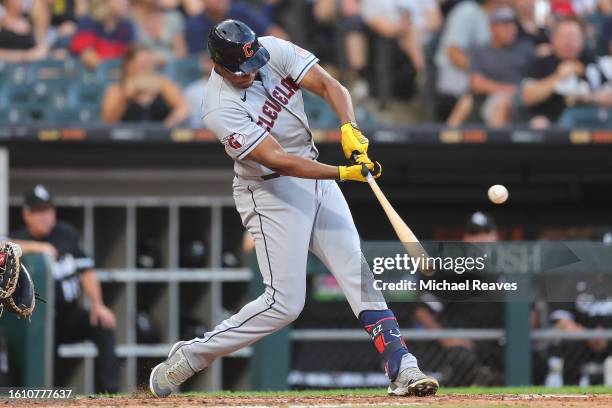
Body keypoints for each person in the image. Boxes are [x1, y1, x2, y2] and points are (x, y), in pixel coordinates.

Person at [149, 19, 438, 398]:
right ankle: (192, 355)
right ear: (218, 64)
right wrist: (342, 172)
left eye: (254, 64)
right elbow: (278, 161)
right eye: (241, 70)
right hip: (271, 193)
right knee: (284, 305)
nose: (251, 75)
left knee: (357, 271)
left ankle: (402, 366)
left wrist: (349, 126)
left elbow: (330, 85)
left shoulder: (274, 49)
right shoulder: (218, 106)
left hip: (313, 172)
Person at [10, 185, 119, 393]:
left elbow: (86, 271)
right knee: (39, 355)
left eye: (48, 210)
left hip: (66, 316)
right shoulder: (19, 237)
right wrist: (38, 248)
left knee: (103, 325)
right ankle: (37, 396)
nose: (45, 217)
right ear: (27, 214)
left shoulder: (66, 234)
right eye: (39, 211)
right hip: (36, 321)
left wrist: (98, 304)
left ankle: (109, 393)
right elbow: (3, 245)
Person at [413, 211, 503, 386]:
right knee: (462, 359)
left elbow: (529, 311)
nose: (481, 239)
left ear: (496, 236)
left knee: (534, 361)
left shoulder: (511, 267)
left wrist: (517, 340)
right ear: (465, 238)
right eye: (474, 234)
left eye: (486, 232)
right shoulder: (453, 269)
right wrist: (448, 338)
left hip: (499, 342)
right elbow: (422, 309)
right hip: (463, 342)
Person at [521, 16, 612, 128]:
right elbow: (527, 97)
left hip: (591, 123)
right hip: (553, 127)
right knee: (538, 124)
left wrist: (589, 97)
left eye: (573, 37)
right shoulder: (542, 63)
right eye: (563, 37)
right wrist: (558, 77)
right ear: (553, 39)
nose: (568, 42)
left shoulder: (592, 62)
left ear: (582, 40)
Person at [469, 6, 534, 127]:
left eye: (513, 24)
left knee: (503, 103)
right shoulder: (481, 51)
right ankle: (446, 141)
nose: (511, 29)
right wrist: (509, 90)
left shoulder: (526, 48)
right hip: (491, 99)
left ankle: (497, 145)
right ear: (492, 27)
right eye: (505, 25)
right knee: (467, 102)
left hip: (526, 100)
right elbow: (476, 83)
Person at [101, 45, 190, 126]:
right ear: (129, 65)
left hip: (160, 139)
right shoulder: (117, 89)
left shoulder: (163, 84)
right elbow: (108, 121)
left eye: (150, 63)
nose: (147, 67)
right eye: (143, 64)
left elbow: (183, 108)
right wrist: (124, 97)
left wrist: (168, 125)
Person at [185, 0, 287, 55]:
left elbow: (278, 34)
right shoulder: (195, 24)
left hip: (257, 61)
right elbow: (201, 61)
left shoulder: (239, 10)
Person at [69, 0, 134, 70]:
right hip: (91, 76)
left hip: (117, 75)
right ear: (106, 2)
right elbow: (88, 56)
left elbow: (130, 58)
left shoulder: (126, 27)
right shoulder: (88, 22)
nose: (127, 3)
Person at [131, 0, 187, 64]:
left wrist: (163, 59)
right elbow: (131, 55)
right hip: (143, 68)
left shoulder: (173, 17)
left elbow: (181, 54)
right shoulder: (129, 20)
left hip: (172, 68)